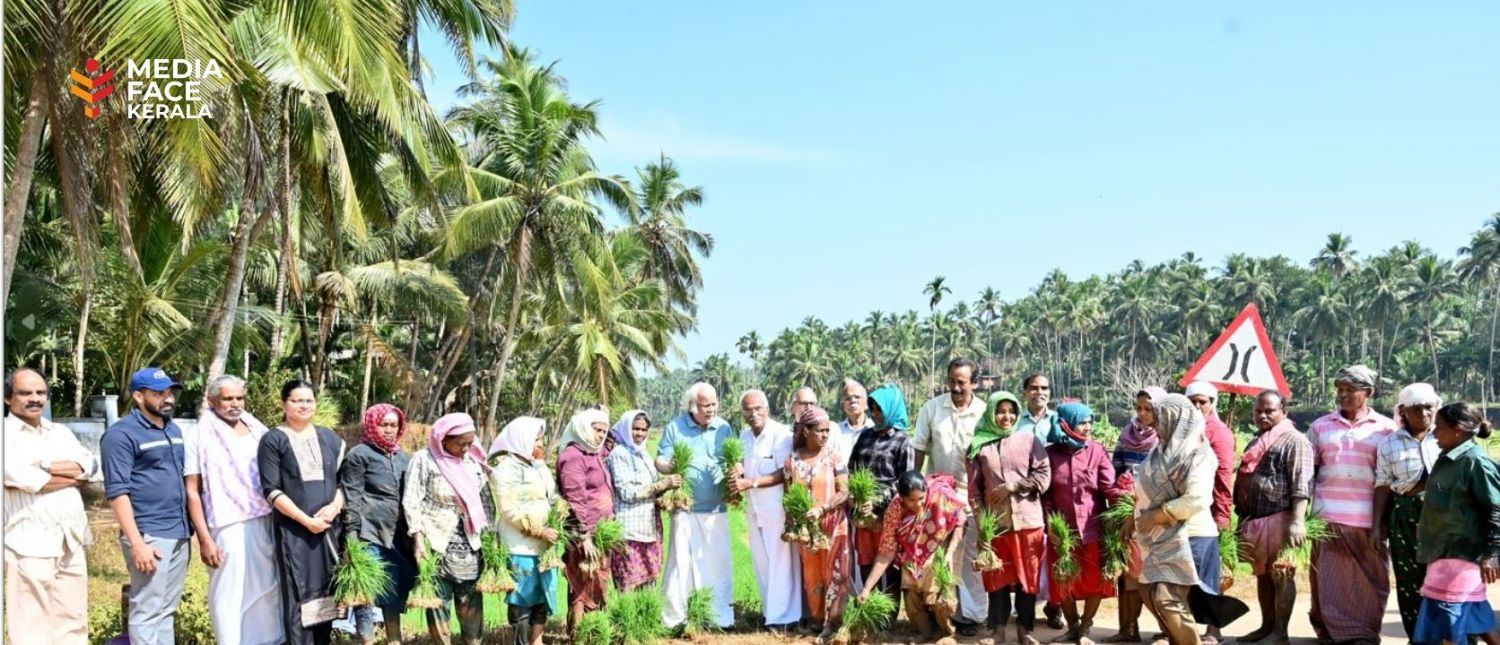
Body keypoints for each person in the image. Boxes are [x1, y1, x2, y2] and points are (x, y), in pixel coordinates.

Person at [185, 374, 282, 645]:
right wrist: (204, 539)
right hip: (226, 523)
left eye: (240, 398)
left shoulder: (256, 428)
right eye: (228, 399)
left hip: (264, 517)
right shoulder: (199, 435)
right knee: (229, 590)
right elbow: (192, 490)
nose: (235, 404)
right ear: (211, 400)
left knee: (267, 585)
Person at [3, 368, 95, 645]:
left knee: (73, 621)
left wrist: (44, 466)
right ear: (7, 398)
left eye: (41, 392)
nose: (35, 398)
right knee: (31, 626)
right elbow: (26, 480)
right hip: (28, 541)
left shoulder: (60, 432)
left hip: (70, 539)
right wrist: (71, 477)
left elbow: (88, 467)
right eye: (25, 393)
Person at [1307, 365, 1398, 645]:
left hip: (1368, 521)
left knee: (1370, 582)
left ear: (1368, 392)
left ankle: (1363, 634)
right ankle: (1331, 633)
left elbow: (1390, 479)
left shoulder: (1386, 429)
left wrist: (1383, 523)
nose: (1343, 395)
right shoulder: (1320, 426)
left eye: (1350, 390)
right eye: (1340, 390)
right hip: (1327, 519)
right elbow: (1309, 472)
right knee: (1328, 582)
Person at [102, 367, 192, 645]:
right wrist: (137, 543)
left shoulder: (173, 428)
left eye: (170, 392)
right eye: (159, 394)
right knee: (147, 610)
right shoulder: (121, 435)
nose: (168, 399)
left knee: (166, 611)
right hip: (149, 533)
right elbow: (117, 493)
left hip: (179, 531)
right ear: (139, 397)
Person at [258, 380, 346, 645]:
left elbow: (345, 481)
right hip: (295, 532)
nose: (304, 405)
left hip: (329, 531)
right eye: (297, 400)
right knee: (300, 596)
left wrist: (334, 508)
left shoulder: (329, 438)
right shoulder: (274, 439)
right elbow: (271, 490)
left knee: (328, 593)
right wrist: (306, 521)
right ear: (284, 404)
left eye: (309, 400)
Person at [967, 391, 1050, 645]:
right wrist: (982, 526)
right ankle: (998, 630)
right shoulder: (978, 446)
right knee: (997, 577)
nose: (1007, 417)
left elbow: (1044, 475)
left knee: (1029, 577)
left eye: (1012, 411)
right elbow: (975, 493)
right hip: (997, 524)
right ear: (991, 413)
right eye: (1001, 411)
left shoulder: (1029, 440)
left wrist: (1015, 486)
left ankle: (1025, 629)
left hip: (1028, 522)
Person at [1413, 402, 1500, 645]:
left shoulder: (1475, 462)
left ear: (1458, 431)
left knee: (1450, 623)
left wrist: (1493, 554)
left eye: (1439, 428)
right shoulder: (1447, 459)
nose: (1434, 433)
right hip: (1441, 554)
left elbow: (1495, 509)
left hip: (1462, 556)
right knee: (1474, 617)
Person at [402, 413, 492, 645]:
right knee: (438, 603)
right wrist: (418, 539)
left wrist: (491, 539)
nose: (466, 448)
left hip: (470, 543)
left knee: (470, 601)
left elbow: (486, 500)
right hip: (437, 541)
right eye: (461, 443)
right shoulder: (424, 460)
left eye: (470, 443)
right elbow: (411, 501)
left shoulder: (472, 462)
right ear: (443, 439)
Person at [914, 358, 989, 634]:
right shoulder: (932, 408)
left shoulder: (984, 412)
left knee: (969, 557)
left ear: (974, 383)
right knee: (938, 553)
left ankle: (971, 616)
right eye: (952, 382)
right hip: (937, 495)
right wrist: (916, 487)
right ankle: (942, 612)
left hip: (972, 495)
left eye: (962, 382)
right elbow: (919, 448)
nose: (956, 388)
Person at [1133, 394, 1216, 645]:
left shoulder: (1198, 453)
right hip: (1159, 536)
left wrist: (1158, 515)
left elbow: (1197, 498)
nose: (1154, 423)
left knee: (1168, 598)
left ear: (1175, 420)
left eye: (1160, 418)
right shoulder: (1161, 450)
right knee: (1150, 592)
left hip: (1190, 535)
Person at [655, 382, 737, 629]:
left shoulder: (723, 427)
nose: (711, 409)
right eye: (705, 405)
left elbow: (735, 460)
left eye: (713, 404)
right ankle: (676, 618)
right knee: (680, 563)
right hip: (685, 508)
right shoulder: (676, 427)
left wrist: (737, 469)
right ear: (693, 406)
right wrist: (670, 466)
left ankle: (719, 617)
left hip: (716, 509)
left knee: (718, 564)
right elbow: (660, 459)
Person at [1233, 390, 1312, 645]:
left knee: (1281, 574)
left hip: (1280, 519)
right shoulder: (1257, 440)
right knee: (1263, 575)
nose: (1262, 416)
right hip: (1255, 518)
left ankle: (1280, 633)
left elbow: (1301, 484)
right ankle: (1266, 626)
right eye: (1258, 411)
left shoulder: (1294, 441)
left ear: (1284, 412)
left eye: (1269, 411)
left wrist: (1297, 521)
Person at [1042, 402, 1125, 645]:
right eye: (1082, 422)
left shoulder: (1096, 451)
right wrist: (1050, 524)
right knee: (1063, 578)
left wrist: (1127, 497)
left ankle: (1086, 628)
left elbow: (1108, 487)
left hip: (1092, 528)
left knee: (1095, 580)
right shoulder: (1049, 454)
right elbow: (1046, 495)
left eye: (1090, 422)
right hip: (1062, 531)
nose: (1088, 427)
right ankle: (1073, 627)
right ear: (1066, 424)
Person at [856, 470, 969, 645]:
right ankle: (925, 632)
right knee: (910, 594)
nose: (918, 504)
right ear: (902, 498)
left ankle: (946, 632)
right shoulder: (895, 510)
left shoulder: (940, 494)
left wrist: (949, 553)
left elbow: (961, 521)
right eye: (912, 500)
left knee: (937, 593)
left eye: (921, 498)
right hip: (912, 551)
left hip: (940, 545)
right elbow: (886, 551)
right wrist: (866, 589)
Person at [341, 403, 415, 645]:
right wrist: (352, 538)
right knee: (366, 592)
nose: (389, 430)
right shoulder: (359, 454)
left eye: (394, 425)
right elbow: (352, 497)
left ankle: (395, 640)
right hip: (368, 533)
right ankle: (366, 640)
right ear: (373, 425)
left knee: (393, 590)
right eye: (384, 425)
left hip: (397, 536)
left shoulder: (404, 457)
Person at [1374, 383, 1443, 640]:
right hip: (1405, 516)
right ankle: (1418, 637)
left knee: (1447, 579)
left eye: (1428, 407)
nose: (1424, 413)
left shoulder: (1448, 435)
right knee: (1410, 582)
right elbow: (1383, 484)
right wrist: (1377, 526)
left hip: (1445, 518)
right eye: (1416, 409)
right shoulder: (1389, 444)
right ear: (1403, 411)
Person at [731, 390, 801, 632]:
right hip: (754, 507)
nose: (753, 414)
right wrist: (737, 469)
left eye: (757, 408)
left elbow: (785, 472)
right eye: (747, 410)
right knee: (762, 562)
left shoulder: (781, 435)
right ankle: (770, 611)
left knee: (781, 563)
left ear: (767, 409)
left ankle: (784, 618)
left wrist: (752, 482)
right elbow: (742, 465)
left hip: (776, 507)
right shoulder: (744, 436)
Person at [490, 417, 562, 645]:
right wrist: (539, 531)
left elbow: (550, 495)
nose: (541, 444)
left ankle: (536, 641)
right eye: (536, 440)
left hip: (544, 545)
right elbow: (509, 510)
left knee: (542, 594)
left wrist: (560, 508)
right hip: (520, 545)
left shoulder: (538, 466)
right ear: (521, 440)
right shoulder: (506, 470)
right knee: (521, 596)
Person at [1103, 386, 1166, 643]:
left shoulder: (1167, 436)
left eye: (1148, 408)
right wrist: (1122, 487)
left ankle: (1168, 630)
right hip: (1128, 509)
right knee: (1128, 571)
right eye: (1139, 408)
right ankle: (1128, 629)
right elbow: (1116, 468)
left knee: (1157, 574)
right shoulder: (1126, 434)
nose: (1142, 413)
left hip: (1157, 513)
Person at [785, 405, 852, 643]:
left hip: (834, 525)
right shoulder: (792, 461)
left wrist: (823, 509)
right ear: (805, 431)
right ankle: (816, 621)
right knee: (813, 575)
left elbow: (844, 491)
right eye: (819, 431)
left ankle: (834, 624)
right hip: (808, 531)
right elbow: (788, 496)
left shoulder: (834, 458)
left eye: (827, 431)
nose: (824, 435)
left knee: (837, 575)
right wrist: (792, 522)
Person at [849, 384, 915, 605]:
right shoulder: (866, 435)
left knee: (889, 563)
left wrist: (878, 501)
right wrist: (858, 496)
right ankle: (870, 608)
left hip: (890, 511)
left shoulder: (902, 440)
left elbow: (905, 480)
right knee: (866, 560)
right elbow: (852, 468)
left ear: (891, 410)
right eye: (873, 409)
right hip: (863, 510)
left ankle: (889, 613)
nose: (875, 414)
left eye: (880, 410)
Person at [605, 410, 680, 591]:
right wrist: (661, 485)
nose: (640, 434)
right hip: (629, 530)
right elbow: (626, 492)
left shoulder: (644, 453)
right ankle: (628, 611)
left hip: (649, 527)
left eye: (644, 430)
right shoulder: (619, 454)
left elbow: (653, 487)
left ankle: (647, 610)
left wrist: (669, 489)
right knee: (628, 582)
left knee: (649, 580)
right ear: (626, 429)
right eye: (635, 429)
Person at [557, 409, 615, 634]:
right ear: (582, 428)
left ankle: (595, 632)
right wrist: (584, 537)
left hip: (600, 532)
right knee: (582, 584)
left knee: (598, 581)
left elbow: (610, 442)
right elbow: (575, 499)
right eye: (597, 429)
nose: (601, 435)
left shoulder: (593, 452)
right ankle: (579, 634)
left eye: (603, 430)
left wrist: (605, 415)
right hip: (583, 534)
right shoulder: (573, 456)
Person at [1016, 372, 1064, 629]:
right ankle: (1025, 609)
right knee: (1028, 552)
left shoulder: (1058, 421)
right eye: (1034, 388)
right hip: (1023, 496)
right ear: (1025, 392)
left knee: (1056, 549)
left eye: (1044, 388)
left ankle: (1054, 608)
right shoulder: (1014, 421)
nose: (1040, 392)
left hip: (1055, 494)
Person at [1183, 381, 1236, 532]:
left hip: (1204, 512)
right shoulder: (1181, 428)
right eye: (1192, 401)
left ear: (1212, 404)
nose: (1197, 406)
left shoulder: (1219, 433)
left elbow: (1222, 477)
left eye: (1202, 402)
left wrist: (1221, 518)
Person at [836, 379, 874, 465]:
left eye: (857, 397)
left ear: (867, 403)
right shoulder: (836, 431)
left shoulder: (875, 429)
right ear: (843, 405)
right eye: (848, 398)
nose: (853, 401)